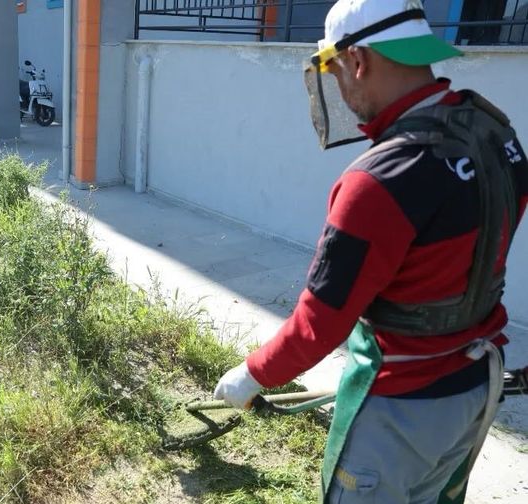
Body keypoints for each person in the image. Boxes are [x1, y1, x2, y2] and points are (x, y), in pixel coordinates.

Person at [212, 1, 528, 503]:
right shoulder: (495, 136)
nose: (338, 87)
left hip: (399, 414)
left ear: (358, 61)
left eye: (336, 72)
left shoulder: (377, 183)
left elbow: (320, 324)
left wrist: (251, 375)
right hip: (473, 392)